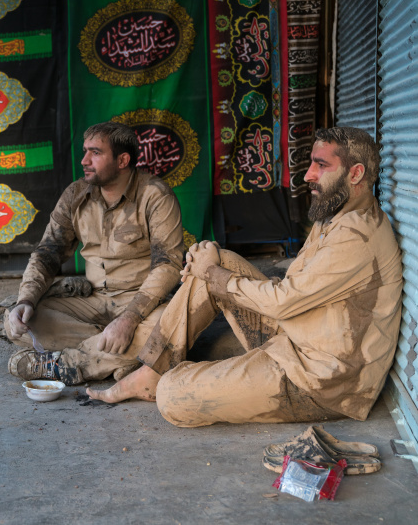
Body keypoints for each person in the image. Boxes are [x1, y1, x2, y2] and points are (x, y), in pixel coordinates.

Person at [87, 126, 403, 428]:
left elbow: (282, 302)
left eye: (321, 165)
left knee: (172, 395)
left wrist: (211, 273)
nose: (308, 175)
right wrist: (209, 265)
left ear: (356, 174)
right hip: (295, 339)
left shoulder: (356, 236)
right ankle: (151, 371)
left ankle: (166, 378)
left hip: (320, 382)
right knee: (219, 260)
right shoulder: (334, 215)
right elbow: (290, 288)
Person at [5, 121, 183, 385]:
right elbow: (47, 253)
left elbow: (168, 265)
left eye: (95, 153)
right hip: (92, 300)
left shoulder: (155, 196)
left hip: (142, 303)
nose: (85, 160)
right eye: (85, 151)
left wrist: (130, 319)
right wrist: (26, 300)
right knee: (17, 322)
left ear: (123, 160)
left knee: (168, 328)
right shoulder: (75, 194)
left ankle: (62, 364)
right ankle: (122, 356)